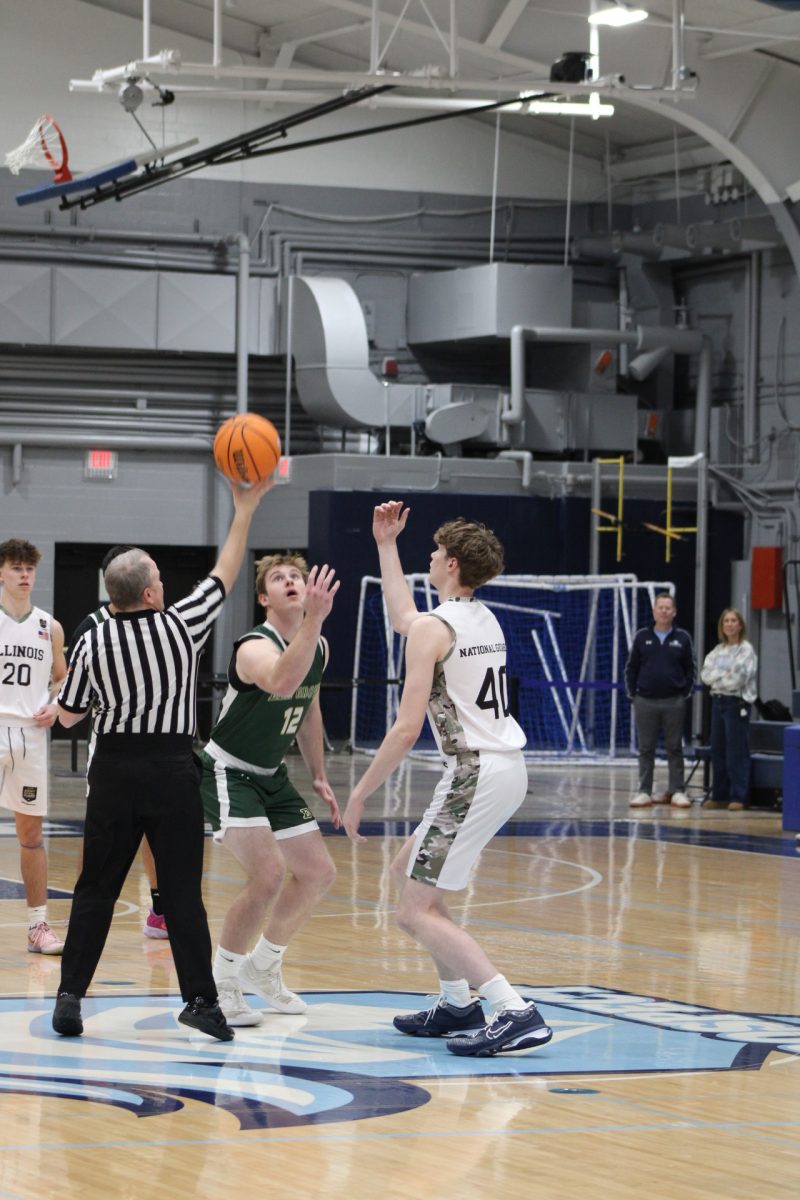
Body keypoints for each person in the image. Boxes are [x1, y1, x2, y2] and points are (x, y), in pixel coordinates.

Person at [52, 476, 272, 1042]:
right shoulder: (182, 625)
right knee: (180, 893)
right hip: (173, 771)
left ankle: (70, 997)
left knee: (95, 888)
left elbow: (70, 716)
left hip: (115, 771)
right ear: (150, 593)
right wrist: (244, 506)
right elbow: (225, 573)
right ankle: (201, 1002)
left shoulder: (92, 641)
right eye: (159, 577)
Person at [342, 501, 552, 1058]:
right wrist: (385, 545)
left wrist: (359, 793)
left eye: (434, 552)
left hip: (474, 772)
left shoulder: (437, 628)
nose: (429, 558)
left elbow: (407, 728)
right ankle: (458, 1002)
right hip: (501, 769)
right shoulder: (479, 617)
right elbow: (406, 620)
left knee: (413, 910)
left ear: (452, 564)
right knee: (407, 870)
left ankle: (514, 1010)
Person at [199, 553, 340, 1026]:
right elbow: (282, 682)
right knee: (267, 875)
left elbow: (308, 707)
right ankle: (219, 983)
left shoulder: (317, 647)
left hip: (271, 773)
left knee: (318, 872)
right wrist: (315, 620)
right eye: (278, 579)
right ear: (264, 598)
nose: (290, 582)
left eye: (296, 575)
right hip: (228, 769)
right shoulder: (254, 647)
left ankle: (263, 966)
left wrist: (318, 773)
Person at [70, 545, 168, 940]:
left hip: (160, 744)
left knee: (155, 828)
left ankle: (161, 906)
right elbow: (72, 692)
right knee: (102, 833)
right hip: (112, 744)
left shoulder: (163, 622)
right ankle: (86, 911)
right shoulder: (90, 631)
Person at [0, 538, 67, 956]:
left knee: (31, 834)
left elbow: (61, 678)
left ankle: (38, 926)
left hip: (31, 734)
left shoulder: (50, 626)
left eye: (30, 568)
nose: (25, 575)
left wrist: (57, 706)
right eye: (16, 568)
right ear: (1, 574)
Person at [625, 592, 695, 809]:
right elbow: (631, 668)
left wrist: (684, 693)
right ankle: (644, 791)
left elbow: (690, 669)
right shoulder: (641, 637)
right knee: (646, 748)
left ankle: (677, 791)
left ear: (674, 612)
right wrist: (633, 695)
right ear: (654, 611)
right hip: (645, 701)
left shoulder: (683, 638)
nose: (664, 611)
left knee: (675, 747)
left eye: (668, 608)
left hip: (674, 701)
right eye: (660, 607)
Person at [700, 608, 757, 811]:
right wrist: (725, 673)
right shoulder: (718, 651)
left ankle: (739, 796)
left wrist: (720, 676)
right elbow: (706, 675)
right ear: (722, 626)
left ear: (740, 625)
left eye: (734, 621)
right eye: (726, 621)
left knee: (736, 752)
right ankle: (720, 795)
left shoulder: (746, 650)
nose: (730, 624)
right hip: (718, 703)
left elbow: (739, 678)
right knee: (718, 750)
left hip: (736, 704)